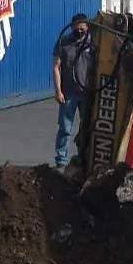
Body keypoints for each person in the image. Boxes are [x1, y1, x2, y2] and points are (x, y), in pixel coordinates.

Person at [52, 13, 92, 168]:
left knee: (87, 127)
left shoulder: (93, 43)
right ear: (72, 28)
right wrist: (58, 91)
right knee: (64, 128)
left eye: (82, 29)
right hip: (68, 93)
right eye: (77, 30)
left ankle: (85, 157)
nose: (79, 32)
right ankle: (61, 160)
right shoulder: (64, 42)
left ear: (87, 28)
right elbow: (56, 66)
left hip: (87, 92)